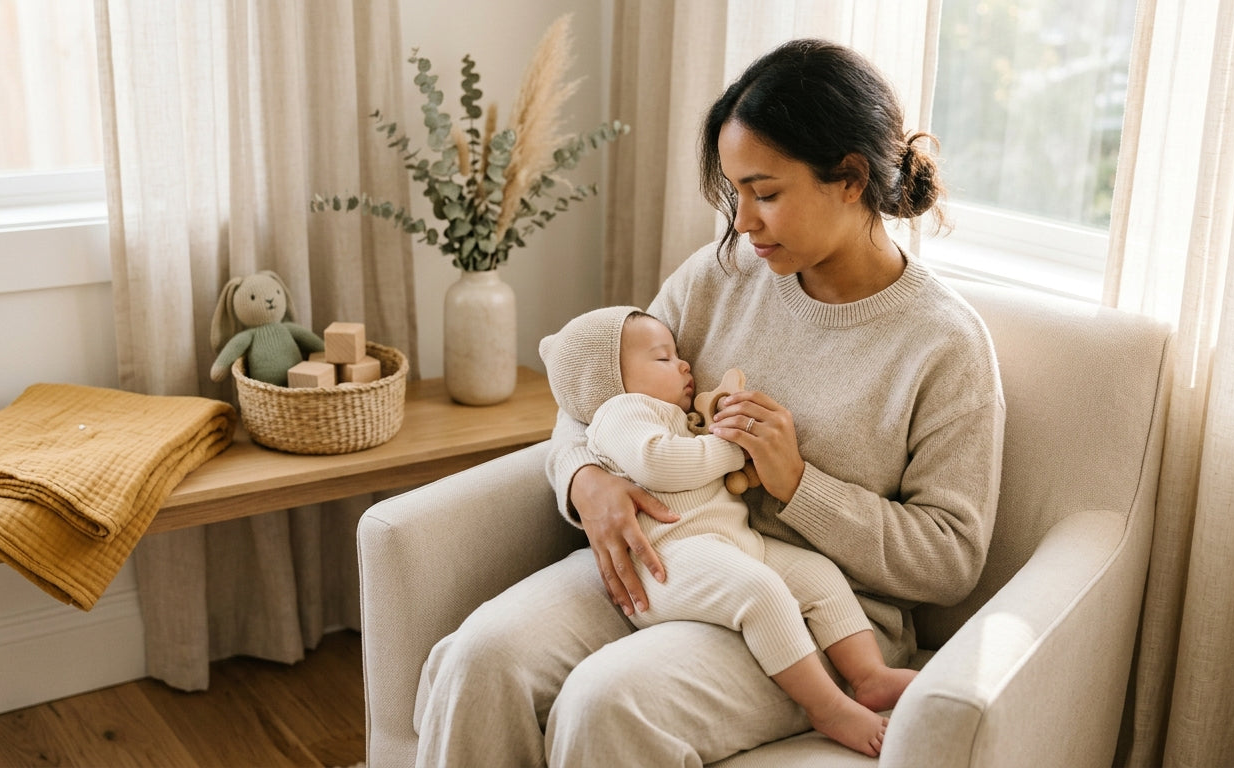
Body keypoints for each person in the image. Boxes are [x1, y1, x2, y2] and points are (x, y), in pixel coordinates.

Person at [414, 38, 1005, 767]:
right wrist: (585, 480)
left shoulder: (943, 344)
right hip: (668, 553)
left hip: (820, 618)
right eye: (735, 193)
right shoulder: (721, 273)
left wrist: (798, 486)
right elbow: (592, 391)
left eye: (766, 192)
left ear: (850, 179)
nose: (744, 222)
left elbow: (949, 559)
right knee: (480, 657)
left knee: (607, 704)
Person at [538, 306, 916, 756]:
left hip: (730, 542)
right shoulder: (621, 413)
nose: (684, 365)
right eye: (663, 359)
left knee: (817, 575)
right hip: (669, 561)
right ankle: (828, 707)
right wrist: (733, 449)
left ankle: (868, 674)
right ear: (608, 382)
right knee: (761, 591)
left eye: (677, 354)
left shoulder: (669, 414)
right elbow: (660, 462)